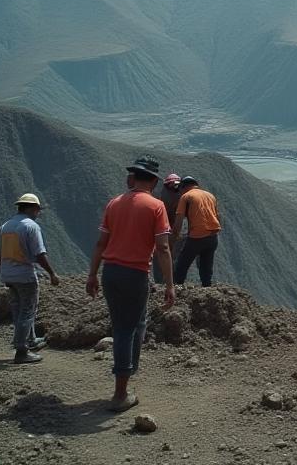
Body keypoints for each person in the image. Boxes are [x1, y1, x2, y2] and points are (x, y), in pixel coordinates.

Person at [86, 156, 175, 412]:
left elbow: (101, 243)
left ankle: (128, 371)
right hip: (135, 274)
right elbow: (163, 248)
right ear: (155, 182)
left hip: (111, 273)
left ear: (133, 177)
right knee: (127, 329)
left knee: (128, 325)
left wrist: (92, 275)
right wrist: (169, 285)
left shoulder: (114, 203)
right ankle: (120, 393)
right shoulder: (156, 206)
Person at [0, 193, 60, 363]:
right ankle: (21, 350)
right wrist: (52, 273)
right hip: (25, 276)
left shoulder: (5, 226)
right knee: (27, 311)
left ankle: (30, 340)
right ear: (31, 208)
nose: (38, 213)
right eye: (37, 209)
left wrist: (5, 270)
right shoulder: (31, 226)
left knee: (18, 310)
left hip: (8, 275)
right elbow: (40, 254)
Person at [172, 176, 221, 287]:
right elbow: (217, 216)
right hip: (213, 237)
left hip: (196, 238)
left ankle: (177, 288)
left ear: (183, 187)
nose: (180, 192)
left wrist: (174, 237)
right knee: (206, 266)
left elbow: (179, 220)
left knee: (182, 264)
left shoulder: (186, 196)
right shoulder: (210, 196)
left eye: (180, 189)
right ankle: (207, 288)